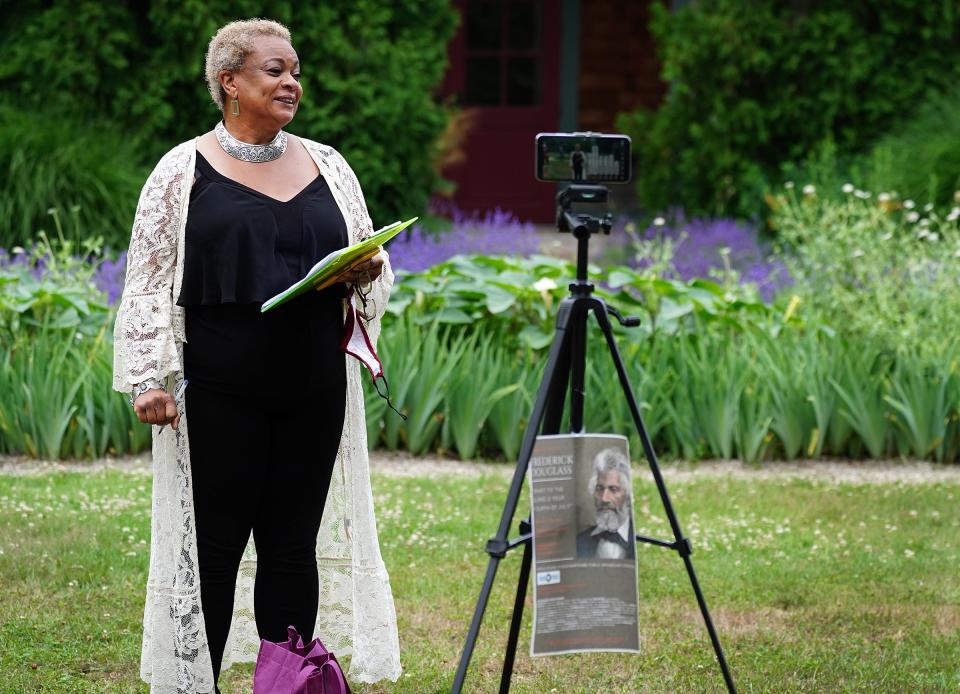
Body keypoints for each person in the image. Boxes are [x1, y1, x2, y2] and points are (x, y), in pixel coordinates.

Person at [111, 19, 400, 694]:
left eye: (295, 70)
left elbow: (372, 262)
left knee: (293, 546)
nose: (291, 82)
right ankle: (198, 683)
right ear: (229, 82)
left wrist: (365, 272)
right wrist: (148, 378)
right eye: (274, 70)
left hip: (314, 384)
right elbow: (149, 278)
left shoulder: (330, 165)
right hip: (220, 389)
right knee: (215, 548)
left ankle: (285, 683)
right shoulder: (181, 171)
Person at [576, 448, 635, 560]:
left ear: (627, 494)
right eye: (599, 488)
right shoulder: (580, 542)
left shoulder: (639, 542)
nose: (604, 498)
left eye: (613, 489)